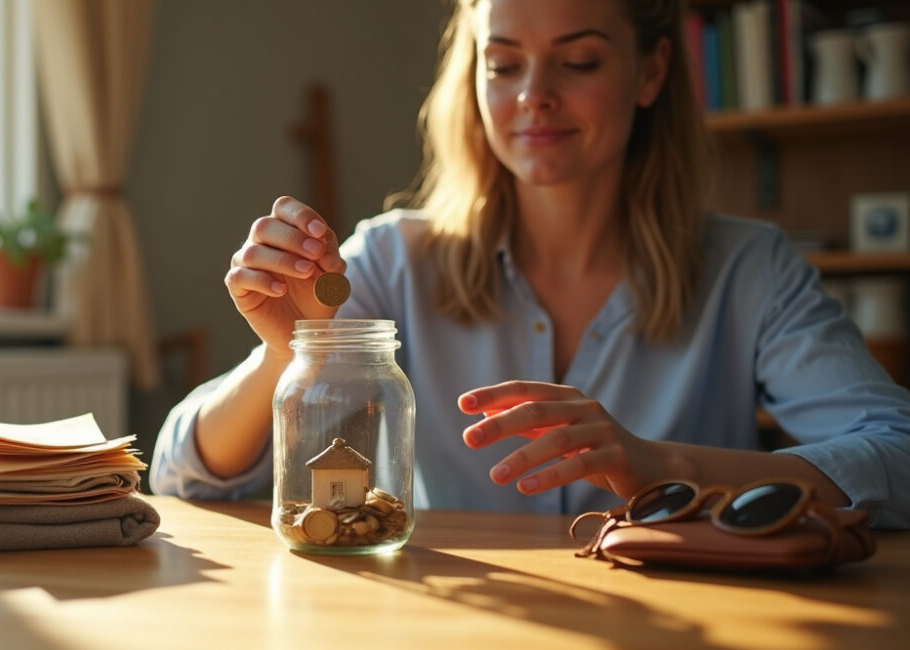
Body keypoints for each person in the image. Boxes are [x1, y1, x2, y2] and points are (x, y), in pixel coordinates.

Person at [150, 0, 910, 529]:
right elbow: (185, 478)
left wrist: (661, 465)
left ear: (651, 73)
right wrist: (285, 353)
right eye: (504, 64)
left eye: (578, 61)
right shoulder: (391, 259)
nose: (534, 97)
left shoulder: (751, 269)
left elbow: (896, 457)